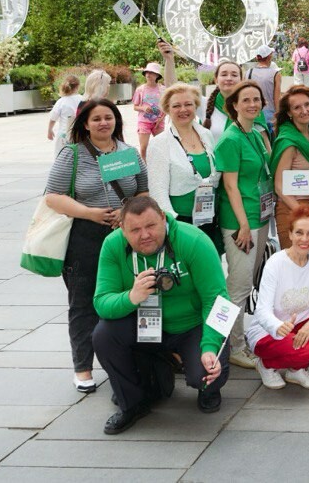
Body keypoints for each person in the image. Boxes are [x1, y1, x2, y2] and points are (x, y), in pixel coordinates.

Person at [91, 195, 229, 434]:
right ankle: (132, 403)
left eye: (151, 226)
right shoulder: (113, 245)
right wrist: (131, 297)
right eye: (135, 230)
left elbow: (218, 302)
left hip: (190, 325)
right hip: (145, 324)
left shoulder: (194, 241)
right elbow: (101, 302)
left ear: (163, 218)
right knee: (104, 334)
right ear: (122, 228)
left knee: (205, 374)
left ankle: (207, 386)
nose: (145, 235)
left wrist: (210, 346)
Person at [44, 99, 149, 394]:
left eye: (108, 117)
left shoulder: (128, 153)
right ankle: (83, 368)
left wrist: (126, 210)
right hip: (85, 236)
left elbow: (143, 191)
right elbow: (52, 196)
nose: (103, 123)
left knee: (129, 298)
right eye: (96, 119)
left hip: (125, 236)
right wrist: (90, 213)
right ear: (86, 124)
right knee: (83, 304)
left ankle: (126, 364)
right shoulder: (72, 154)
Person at [212, 80, 275, 370]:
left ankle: (231, 338)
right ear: (234, 105)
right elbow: (230, 186)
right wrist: (243, 225)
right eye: (245, 100)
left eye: (256, 99)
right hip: (241, 222)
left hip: (259, 217)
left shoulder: (254, 134)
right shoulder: (231, 139)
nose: (252, 104)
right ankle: (230, 345)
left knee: (245, 283)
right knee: (237, 287)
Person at [248, 203, 309, 390]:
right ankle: (266, 365)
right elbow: (262, 310)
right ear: (290, 234)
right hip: (269, 332)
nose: (304, 239)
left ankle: (296, 369)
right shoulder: (276, 263)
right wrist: (278, 326)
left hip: (301, 325)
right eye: (299, 232)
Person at [145, 83, 221, 254]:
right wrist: (172, 225)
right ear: (167, 109)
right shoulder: (159, 143)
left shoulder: (206, 135)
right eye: (176, 106)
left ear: (196, 106)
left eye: (188, 104)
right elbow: (158, 191)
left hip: (209, 217)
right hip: (180, 222)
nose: (183, 110)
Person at [271, 85, 309, 247]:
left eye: (307, 104)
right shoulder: (288, 141)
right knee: (294, 259)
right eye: (297, 107)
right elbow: (279, 186)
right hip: (292, 208)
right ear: (289, 113)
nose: (304, 110)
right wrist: (302, 213)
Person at [202, 58, 259, 136]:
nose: (229, 78)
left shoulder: (253, 106)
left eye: (234, 75)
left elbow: (263, 140)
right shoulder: (203, 104)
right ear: (216, 80)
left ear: (242, 80)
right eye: (224, 75)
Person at [132, 62, 166, 158]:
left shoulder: (163, 89)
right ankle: (144, 166)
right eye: (147, 72)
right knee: (143, 148)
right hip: (144, 122)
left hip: (159, 122)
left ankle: (160, 165)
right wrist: (143, 108)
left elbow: (167, 107)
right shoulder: (140, 89)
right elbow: (135, 107)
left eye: (151, 72)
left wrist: (161, 119)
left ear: (157, 75)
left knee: (161, 147)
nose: (148, 74)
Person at [247, 45, 283, 129]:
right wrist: (278, 115)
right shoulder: (275, 74)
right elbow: (277, 98)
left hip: (252, 112)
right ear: (269, 56)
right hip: (270, 114)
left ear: (257, 58)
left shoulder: (249, 72)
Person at [47, 74, 82, 157]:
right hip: (80, 133)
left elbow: (53, 118)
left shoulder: (61, 101)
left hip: (64, 134)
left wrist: (50, 130)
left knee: (61, 156)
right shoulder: (82, 99)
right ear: (78, 86)